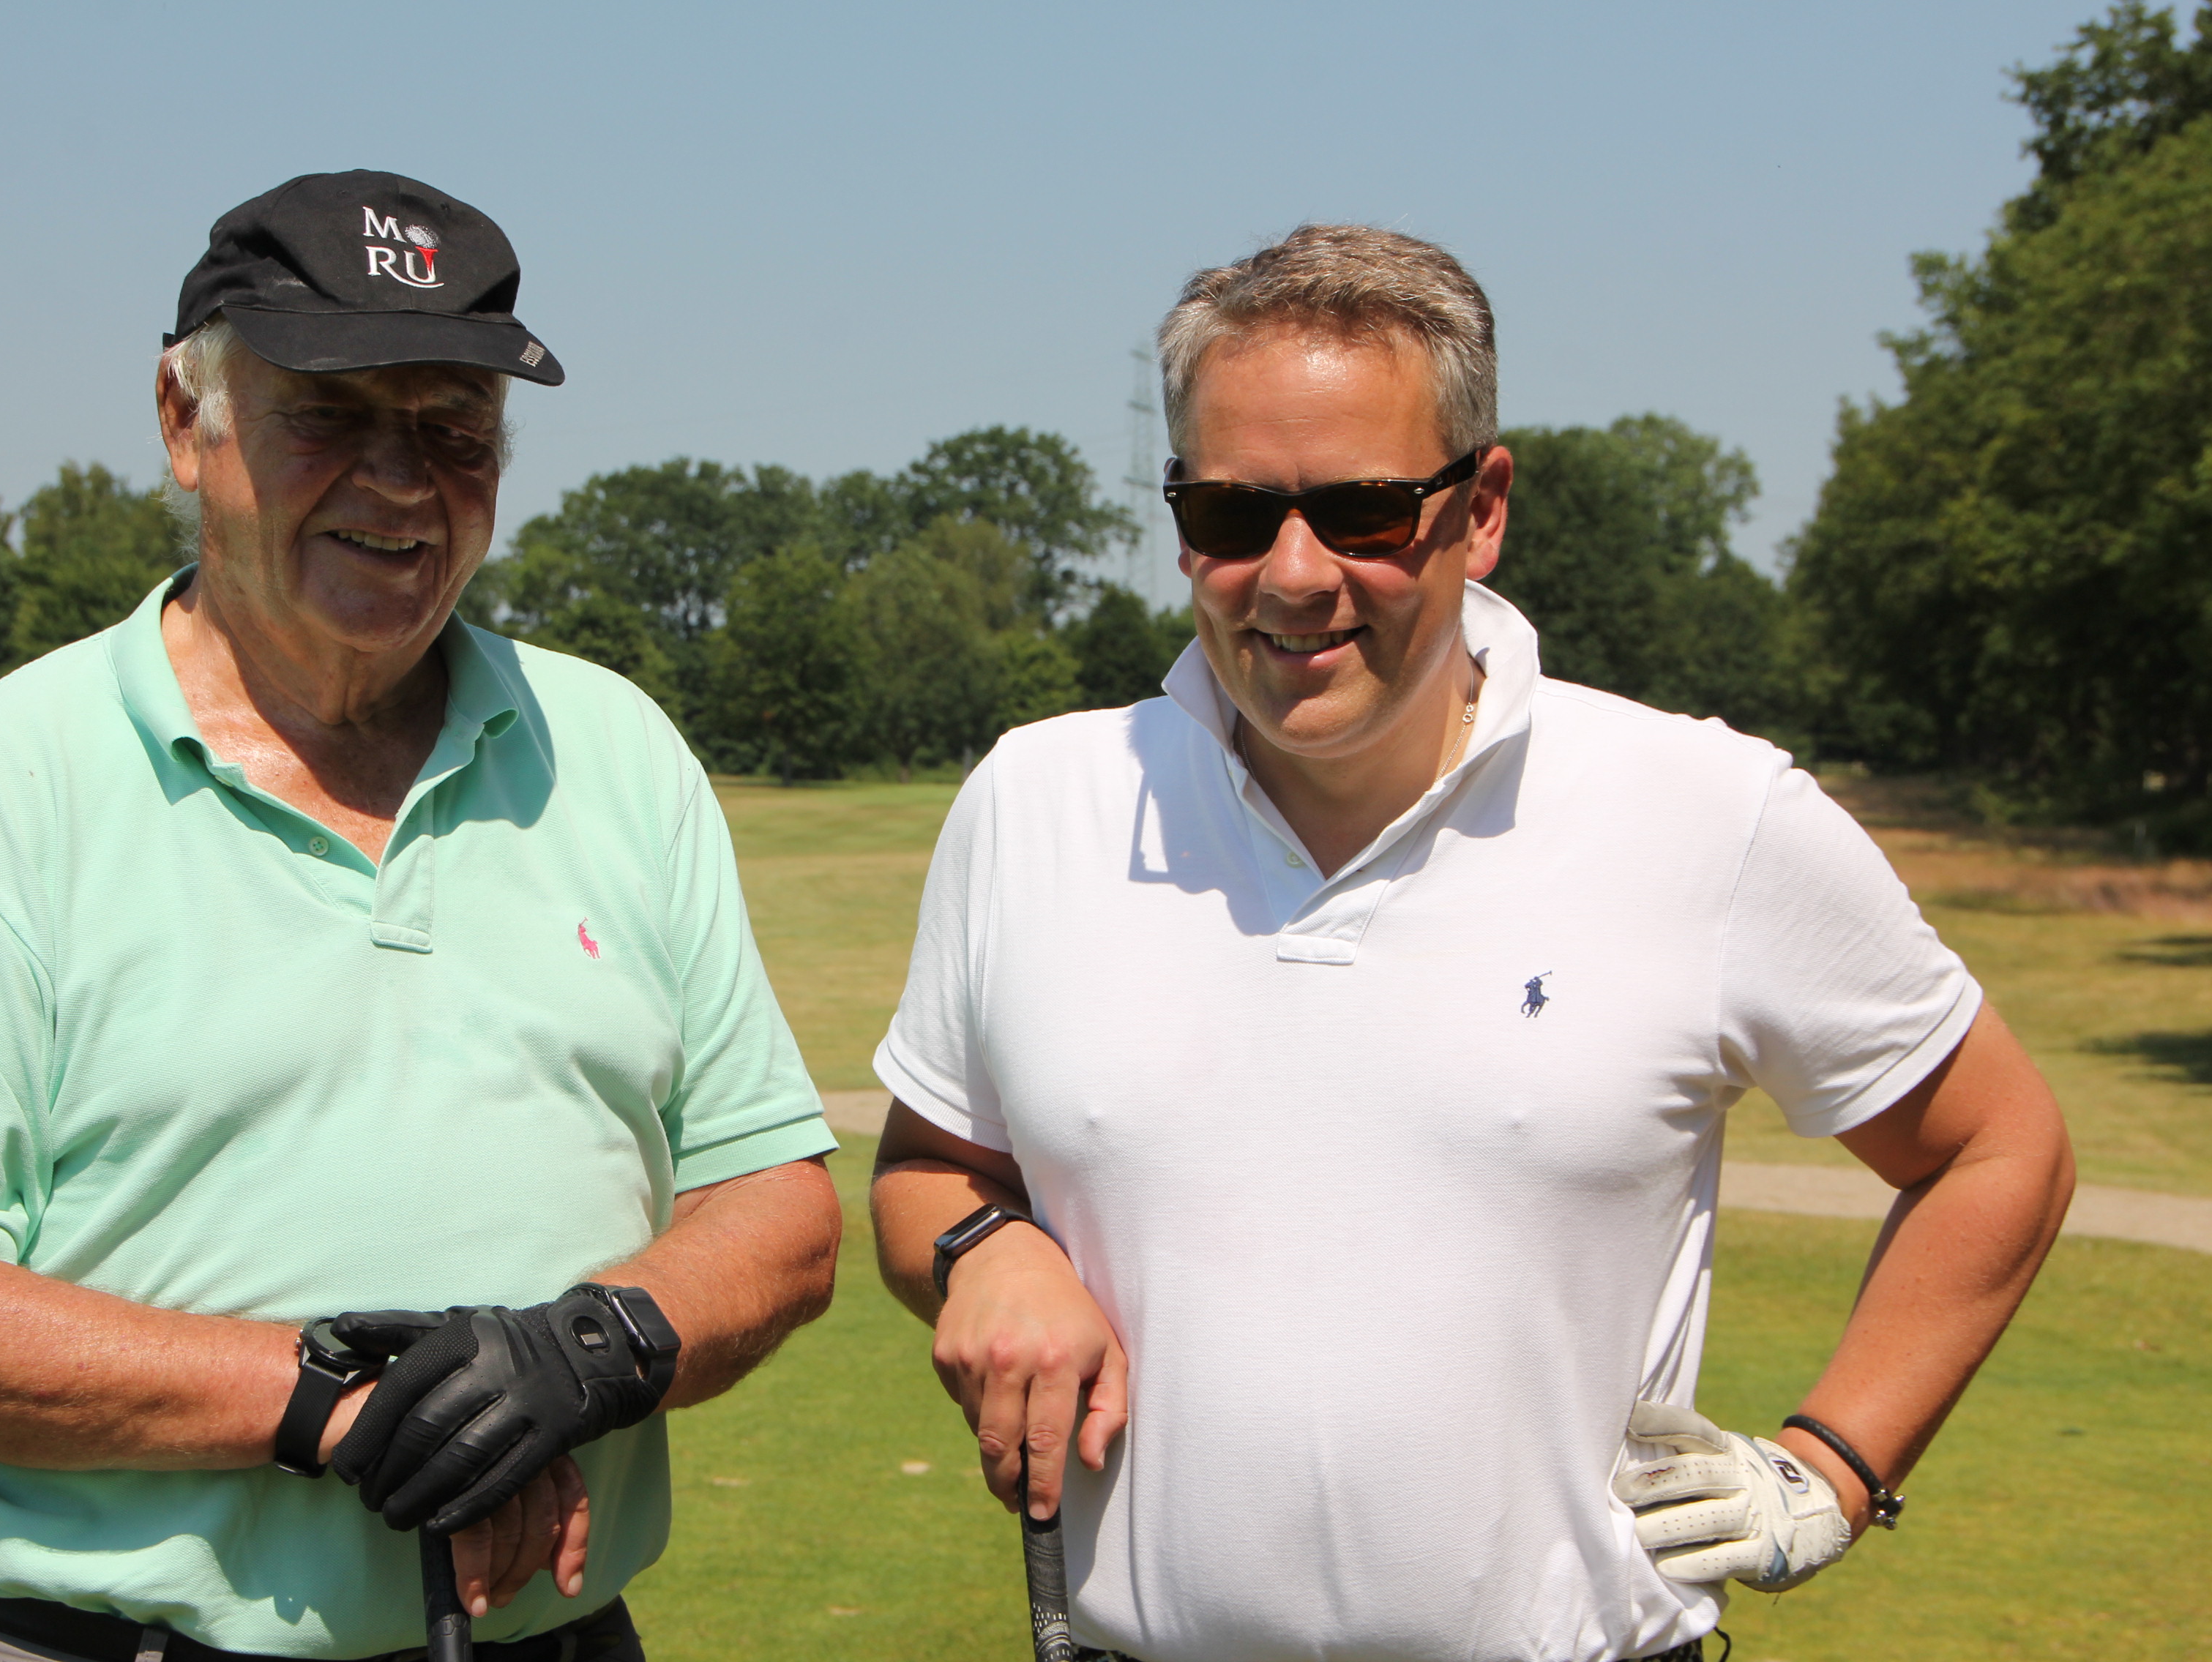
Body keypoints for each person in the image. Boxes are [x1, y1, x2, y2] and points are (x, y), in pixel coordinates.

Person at [867, 225, 2075, 1662]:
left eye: (1365, 512)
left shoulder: (1707, 809)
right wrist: (983, 1249)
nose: (1294, 575)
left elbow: (1996, 1146)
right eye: (1233, 513)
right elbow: (928, 1167)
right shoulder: (1035, 800)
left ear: (1481, 509)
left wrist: (1834, 1467)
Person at [0, 171, 840, 1662]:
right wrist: (334, 1403)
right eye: (330, 415)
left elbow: (777, 1205)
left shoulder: (615, 751)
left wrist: (580, 1353)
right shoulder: (9, 779)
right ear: (184, 422)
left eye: (453, 428)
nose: (400, 481)